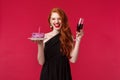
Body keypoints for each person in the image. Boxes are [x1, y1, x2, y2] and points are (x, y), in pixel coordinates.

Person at [34, 8, 84, 80]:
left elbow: (73, 60)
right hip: (48, 75)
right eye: (53, 19)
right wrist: (40, 45)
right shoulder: (43, 37)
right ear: (50, 21)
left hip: (63, 74)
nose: (56, 21)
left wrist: (78, 40)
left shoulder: (68, 37)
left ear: (63, 20)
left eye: (59, 18)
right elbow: (41, 62)